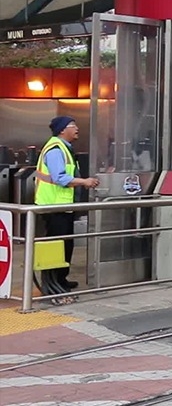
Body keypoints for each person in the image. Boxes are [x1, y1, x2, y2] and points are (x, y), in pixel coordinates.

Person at [35, 116, 99, 295]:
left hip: (62, 206)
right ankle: (53, 283)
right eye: (73, 126)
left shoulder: (64, 148)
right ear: (62, 130)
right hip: (54, 207)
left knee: (65, 244)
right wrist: (84, 182)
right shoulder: (56, 149)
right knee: (56, 245)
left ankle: (60, 279)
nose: (77, 128)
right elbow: (59, 178)